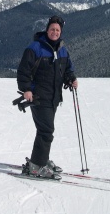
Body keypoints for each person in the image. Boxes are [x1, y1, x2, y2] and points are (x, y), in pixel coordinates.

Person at [17, 15, 78, 180]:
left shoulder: (62, 49)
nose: (55, 32)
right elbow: (23, 71)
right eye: (52, 29)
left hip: (53, 98)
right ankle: (37, 165)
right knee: (46, 130)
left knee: (45, 130)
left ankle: (41, 159)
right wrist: (26, 89)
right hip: (38, 97)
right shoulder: (35, 47)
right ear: (47, 30)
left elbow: (67, 69)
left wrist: (71, 79)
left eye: (58, 30)